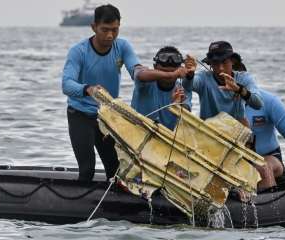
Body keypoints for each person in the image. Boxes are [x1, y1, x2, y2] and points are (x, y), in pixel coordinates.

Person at [62, 4, 140, 181]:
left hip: (107, 117)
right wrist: (87, 89)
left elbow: (136, 70)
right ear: (93, 27)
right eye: (105, 30)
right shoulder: (78, 51)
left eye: (115, 30)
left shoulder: (122, 47)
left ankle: (113, 207)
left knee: (116, 170)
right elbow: (66, 85)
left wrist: (157, 75)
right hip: (80, 115)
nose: (110, 35)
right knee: (88, 168)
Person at [183, 41, 262, 126]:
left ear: (233, 61)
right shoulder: (203, 78)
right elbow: (188, 86)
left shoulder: (244, 78)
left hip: (236, 132)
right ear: (210, 64)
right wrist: (190, 74)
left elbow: (258, 104)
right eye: (216, 63)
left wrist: (239, 89)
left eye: (224, 62)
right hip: (209, 133)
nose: (221, 68)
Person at [131, 46, 191, 130]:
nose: (168, 76)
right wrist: (172, 74)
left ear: (180, 69)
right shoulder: (144, 81)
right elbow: (139, 74)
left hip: (165, 138)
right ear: (155, 67)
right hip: (138, 130)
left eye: (172, 71)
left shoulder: (181, 90)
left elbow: (188, 115)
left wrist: (176, 106)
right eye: (164, 71)